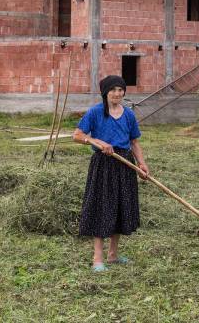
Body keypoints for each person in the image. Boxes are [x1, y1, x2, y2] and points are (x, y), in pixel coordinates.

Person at [73, 75, 149, 272]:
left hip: (124, 164)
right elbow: (78, 135)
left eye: (120, 90)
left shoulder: (128, 115)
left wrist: (142, 164)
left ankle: (113, 255)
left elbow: (134, 142)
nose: (117, 93)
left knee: (120, 208)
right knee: (102, 207)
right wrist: (97, 142)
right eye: (113, 90)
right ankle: (97, 258)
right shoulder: (96, 112)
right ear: (105, 93)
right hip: (103, 165)